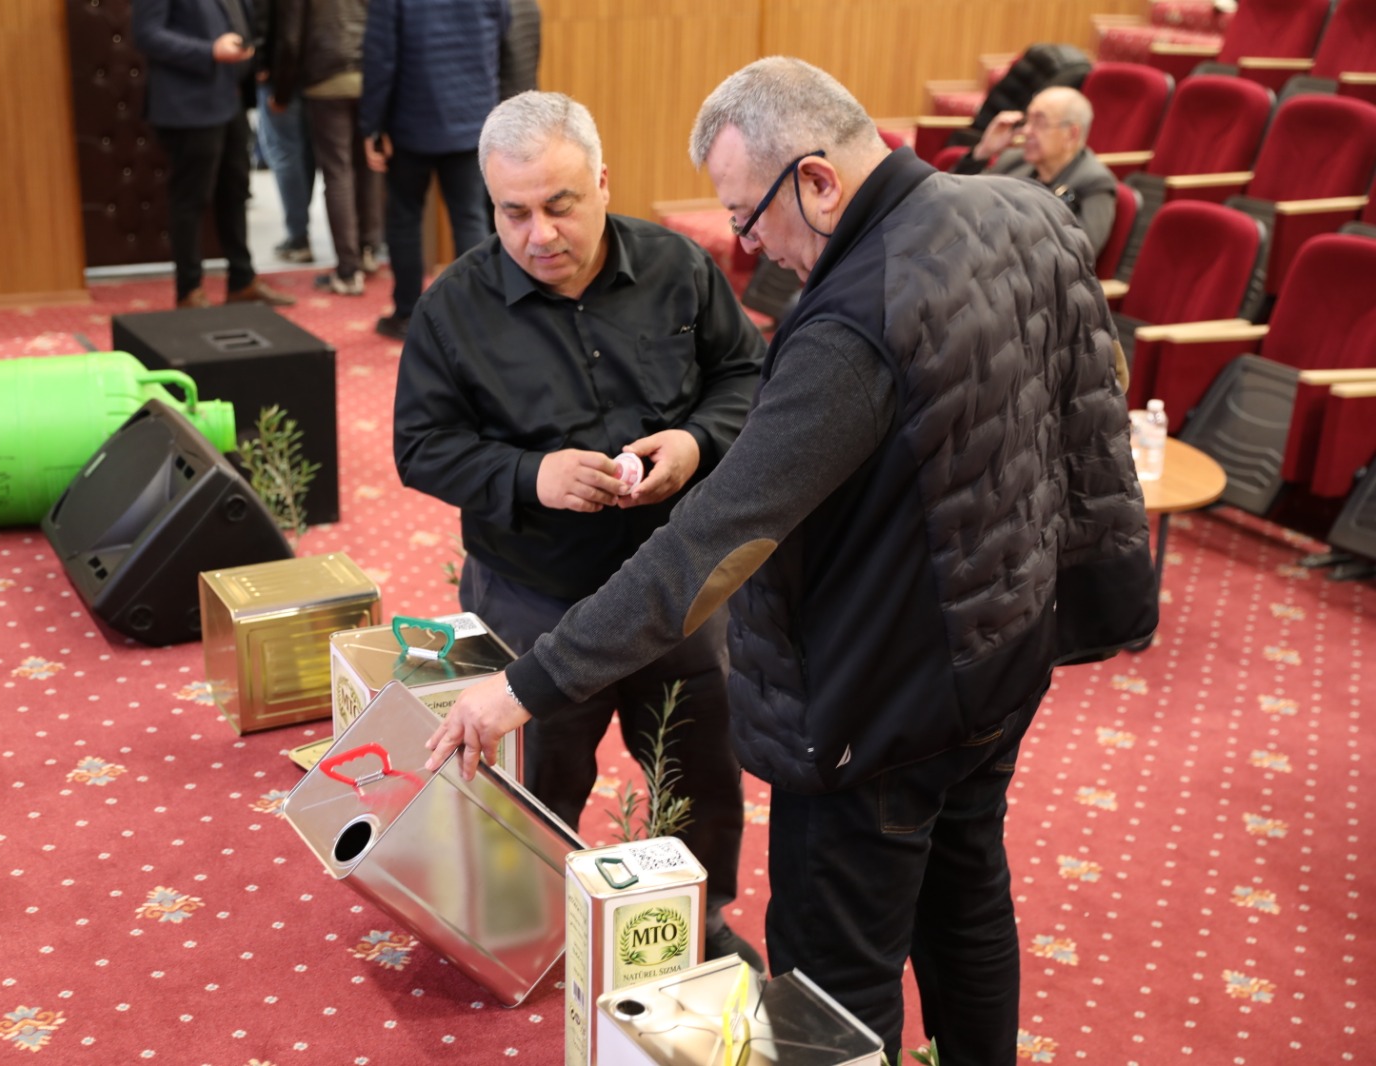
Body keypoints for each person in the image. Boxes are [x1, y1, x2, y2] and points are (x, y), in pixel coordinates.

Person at [426, 58, 1158, 1063]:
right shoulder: (1023, 210)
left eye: (747, 213)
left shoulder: (853, 322)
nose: (747, 243)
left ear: (815, 179)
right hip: (1004, 646)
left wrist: (524, 687)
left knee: (829, 982)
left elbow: (709, 545)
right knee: (966, 894)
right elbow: (1085, 416)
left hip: (874, 704)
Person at [393, 91, 768, 969]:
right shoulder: (454, 307)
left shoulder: (677, 266)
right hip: (535, 593)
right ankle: (521, 923)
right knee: (536, 780)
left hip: (675, 582)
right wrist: (532, 476)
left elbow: (747, 376)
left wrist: (695, 441)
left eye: (560, 205)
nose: (539, 235)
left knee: (699, 770)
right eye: (513, 212)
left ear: (603, 182)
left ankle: (698, 917)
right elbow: (420, 448)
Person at [132, 0, 295, 309]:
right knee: (191, 199)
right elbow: (147, 34)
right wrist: (209, 51)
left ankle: (242, 281)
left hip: (231, 99)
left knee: (235, 191)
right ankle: (189, 290)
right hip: (188, 105)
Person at [361, 0, 508, 340]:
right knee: (470, 217)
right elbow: (503, 30)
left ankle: (407, 315)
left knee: (404, 218)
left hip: (409, 120)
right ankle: (477, 316)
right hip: (473, 116)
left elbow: (380, 57)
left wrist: (372, 124)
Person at [266, 0, 383, 293]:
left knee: (337, 172)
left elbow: (291, 38)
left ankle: (348, 271)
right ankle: (368, 250)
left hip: (326, 76)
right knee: (368, 164)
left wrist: (281, 92)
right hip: (370, 73)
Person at [953, 85, 1118, 258]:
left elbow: (1080, 253)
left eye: (1039, 123)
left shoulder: (1094, 182)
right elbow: (958, 201)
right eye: (1027, 120)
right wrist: (984, 151)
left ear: (1071, 134)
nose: (1026, 131)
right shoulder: (1013, 160)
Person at [254, 0, 320, 265]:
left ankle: (298, 236)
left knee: (285, 154)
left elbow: (281, 32)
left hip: (283, 74)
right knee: (304, 154)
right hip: (317, 70)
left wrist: (262, 66)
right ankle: (299, 230)